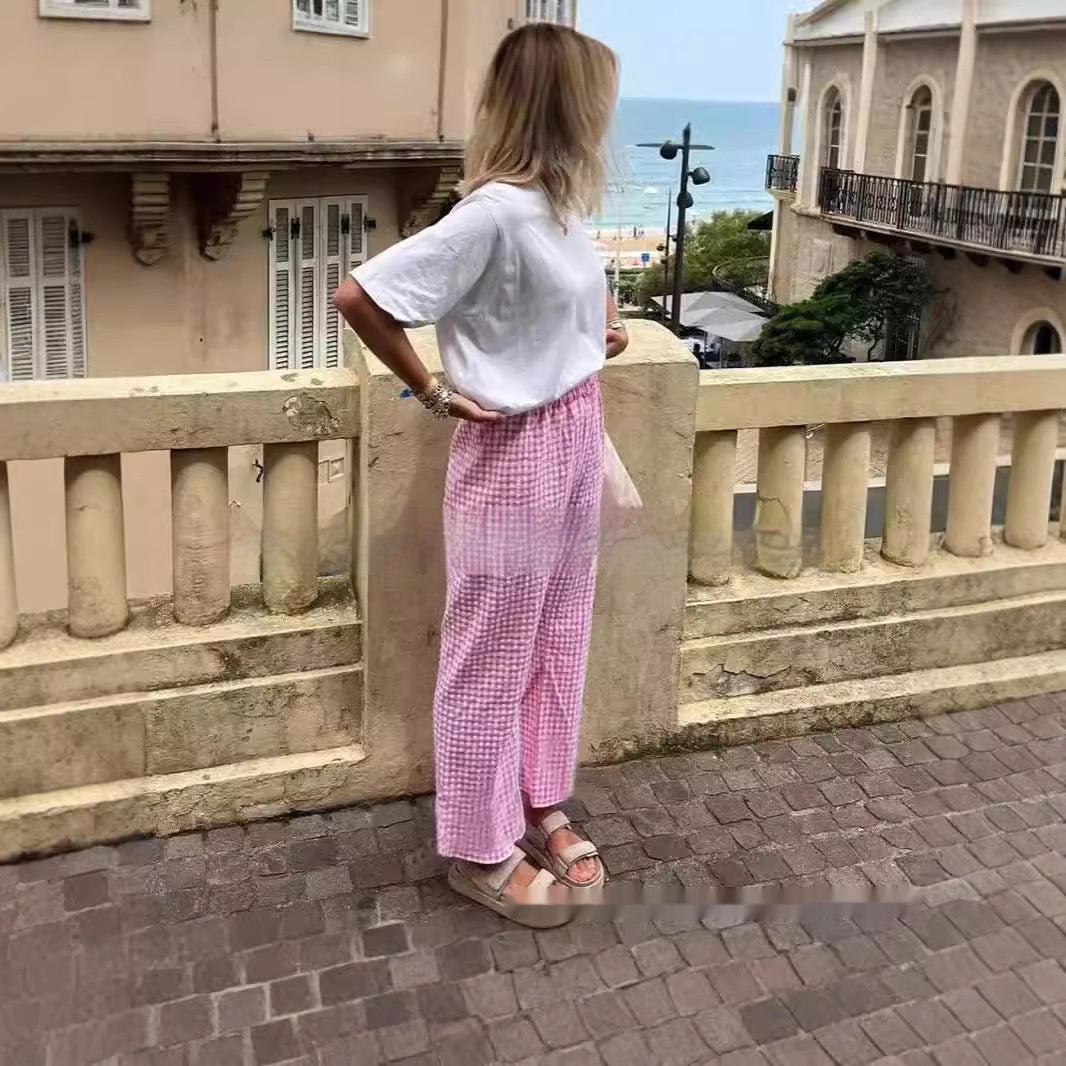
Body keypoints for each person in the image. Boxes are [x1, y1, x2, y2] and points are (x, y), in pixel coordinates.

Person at [334, 24, 626, 927]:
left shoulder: (558, 208)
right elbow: (360, 296)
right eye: (599, 98)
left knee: (557, 633)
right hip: (514, 450)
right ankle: (477, 845)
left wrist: (596, 334)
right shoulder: (492, 213)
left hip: (575, 428)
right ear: (571, 106)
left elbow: (568, 310)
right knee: (490, 650)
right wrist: (430, 390)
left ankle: (534, 800)